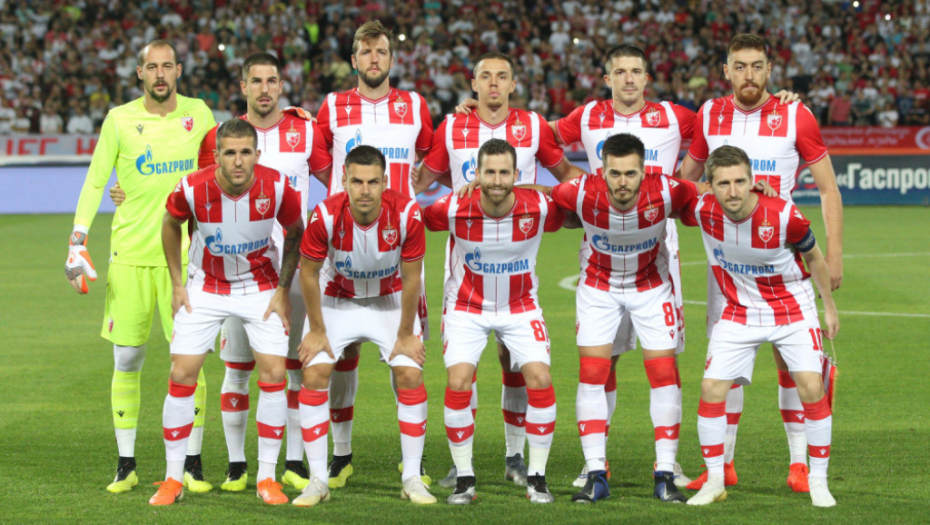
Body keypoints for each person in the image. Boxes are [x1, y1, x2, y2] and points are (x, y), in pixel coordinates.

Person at [679, 33, 843, 493]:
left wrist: (832, 255)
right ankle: (723, 465)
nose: (748, 75)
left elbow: (828, 188)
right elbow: (685, 182)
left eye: (756, 66)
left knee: (793, 364)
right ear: (726, 71)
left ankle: (799, 465)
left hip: (782, 255)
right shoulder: (710, 114)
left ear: (769, 70)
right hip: (728, 262)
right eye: (740, 66)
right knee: (725, 365)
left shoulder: (796, 114)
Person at [417, 51, 585, 488]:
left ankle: (515, 456)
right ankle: (463, 462)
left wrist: (546, 192)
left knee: (515, 363)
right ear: (473, 84)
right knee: (464, 368)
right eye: (485, 76)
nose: (494, 83)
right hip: (466, 263)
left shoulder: (533, 125)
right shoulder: (451, 127)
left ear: (513, 84)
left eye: (502, 76)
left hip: (518, 261)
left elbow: (567, 175)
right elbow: (420, 181)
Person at [65, 40, 216, 494]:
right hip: (130, 255)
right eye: (152, 67)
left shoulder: (199, 114)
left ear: (179, 70)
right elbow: (96, 180)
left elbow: (219, 168)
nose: (160, 74)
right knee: (127, 357)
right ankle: (126, 464)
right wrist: (77, 240)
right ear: (139, 73)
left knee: (189, 361)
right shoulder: (119, 119)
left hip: (185, 260)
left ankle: (192, 464)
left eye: (167, 66)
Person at [151, 118, 305, 506]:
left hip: (261, 286)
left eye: (246, 152)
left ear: (257, 154)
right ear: (217, 155)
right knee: (181, 373)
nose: (238, 161)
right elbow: (170, 223)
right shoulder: (192, 187)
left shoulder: (278, 186)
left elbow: (296, 231)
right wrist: (177, 283)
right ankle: (172, 479)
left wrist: (283, 290)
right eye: (230, 153)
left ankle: (267, 478)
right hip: (205, 286)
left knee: (274, 374)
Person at [542, 133, 699, 503]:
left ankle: (665, 475)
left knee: (664, 374)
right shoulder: (581, 190)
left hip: (651, 287)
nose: (623, 181)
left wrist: (756, 191)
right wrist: (492, 186)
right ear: (602, 171)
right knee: (592, 372)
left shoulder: (668, 189)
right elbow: (541, 193)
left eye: (630, 173)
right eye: (614, 173)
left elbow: (708, 191)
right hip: (599, 289)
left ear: (644, 171)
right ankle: (596, 473)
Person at [313, 21, 435, 487]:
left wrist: (409, 197)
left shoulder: (415, 105)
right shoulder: (332, 106)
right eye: (365, 52)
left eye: (381, 51)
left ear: (391, 58)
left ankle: (412, 461)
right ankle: (341, 454)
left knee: (406, 353)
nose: (374, 59)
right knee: (340, 357)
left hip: (398, 248)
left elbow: (433, 158)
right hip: (344, 246)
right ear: (354, 60)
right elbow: (319, 160)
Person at [423, 139, 566, 505]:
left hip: (520, 306)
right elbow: (414, 219)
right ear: (477, 174)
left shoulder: (539, 207)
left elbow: (576, 202)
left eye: (505, 173)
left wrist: (539, 187)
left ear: (516, 174)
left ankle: (537, 478)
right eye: (490, 172)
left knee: (540, 378)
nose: (497, 180)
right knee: (458, 381)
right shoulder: (452, 208)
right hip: (466, 307)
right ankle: (464, 478)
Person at [292, 145, 434, 507]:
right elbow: (308, 273)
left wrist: (406, 334)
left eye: (373, 182)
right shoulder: (325, 214)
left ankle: (412, 477)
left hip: (389, 299)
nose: (365, 190)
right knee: (314, 371)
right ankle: (318, 480)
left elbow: (412, 276)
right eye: (357, 181)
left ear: (385, 182)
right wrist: (317, 331)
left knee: (410, 373)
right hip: (338, 299)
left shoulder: (406, 213)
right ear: (344, 181)